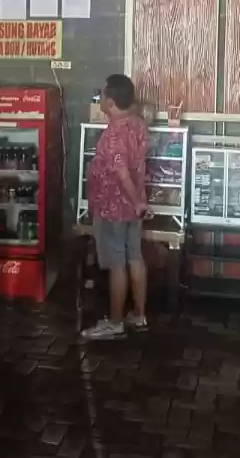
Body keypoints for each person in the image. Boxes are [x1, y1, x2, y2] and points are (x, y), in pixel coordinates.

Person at [81, 74, 149, 341]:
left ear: (110, 102)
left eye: (102, 94)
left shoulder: (114, 133)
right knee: (135, 257)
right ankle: (139, 316)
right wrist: (139, 202)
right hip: (133, 209)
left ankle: (115, 322)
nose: (99, 98)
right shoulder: (138, 124)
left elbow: (121, 173)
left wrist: (135, 200)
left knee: (117, 264)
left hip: (113, 208)